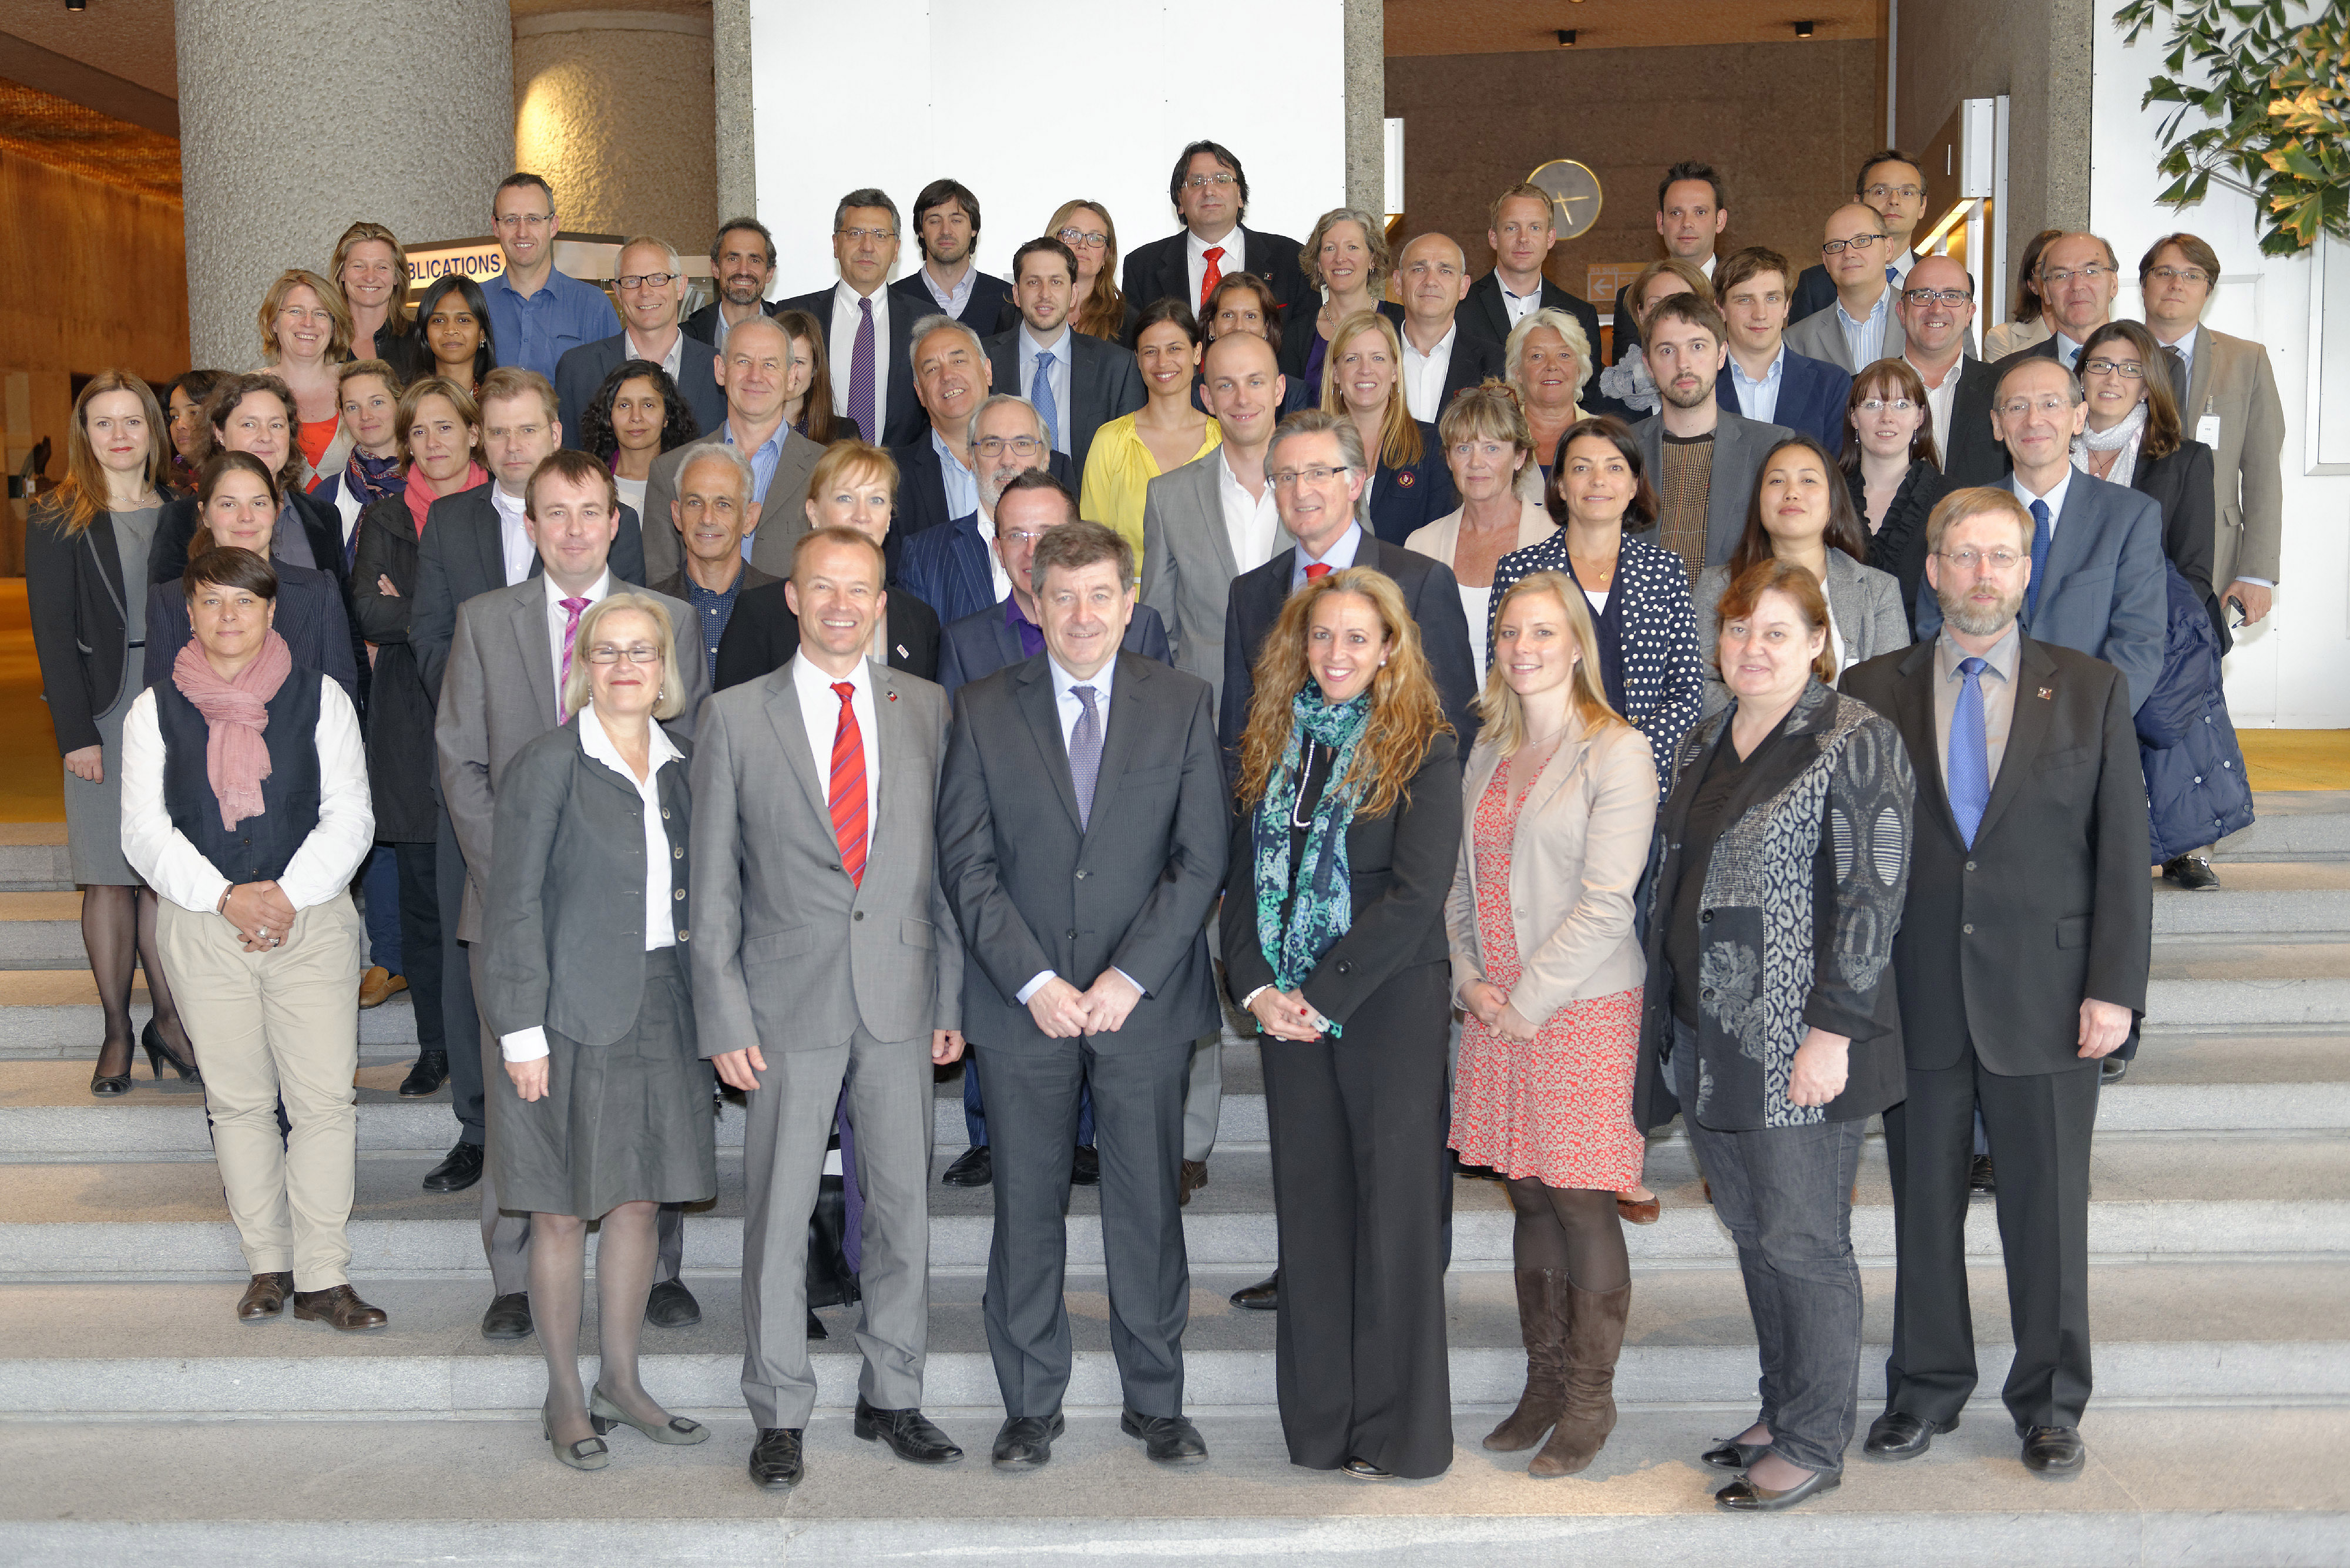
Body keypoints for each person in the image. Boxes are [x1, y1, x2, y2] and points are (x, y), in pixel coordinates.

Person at [1844, 486, 2150, 1483]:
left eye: (2002, 556)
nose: (1983, 574)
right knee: (1923, 1207)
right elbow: (1851, 854)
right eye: (1964, 555)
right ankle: (1924, 1386)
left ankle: (2050, 1404)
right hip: (1915, 991)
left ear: (2028, 571)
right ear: (1933, 569)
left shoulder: (2092, 688)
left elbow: (2122, 850)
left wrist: (2115, 987)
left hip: (2050, 995)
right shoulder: (1870, 687)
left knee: (2048, 1212)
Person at [934, 519, 1226, 1470]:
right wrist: (1035, 981)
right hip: (1025, 1008)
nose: (1084, 614)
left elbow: (1201, 856)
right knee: (1026, 1208)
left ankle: (1158, 1402)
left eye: (1101, 594)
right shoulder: (982, 707)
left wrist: (1127, 976)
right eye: (1063, 596)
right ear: (1035, 600)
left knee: (1149, 1209)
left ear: (1129, 602)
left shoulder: (1181, 701)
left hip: (1145, 1004)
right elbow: (967, 862)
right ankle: (1029, 1405)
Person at [1634, 557, 1916, 1512]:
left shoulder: (1854, 736)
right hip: (1708, 1031)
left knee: (1804, 1241)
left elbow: (1874, 896)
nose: (1752, 647)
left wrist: (1832, 1031)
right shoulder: (1707, 734)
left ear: (1818, 642)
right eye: (1739, 627)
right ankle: (1780, 1407)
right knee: (1755, 1232)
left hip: (1800, 1041)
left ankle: (1814, 1439)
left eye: (1776, 631)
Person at [693, 524, 968, 1491]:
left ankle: (893, 1392)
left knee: (902, 1207)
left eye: (860, 589)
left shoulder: (926, 707)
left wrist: (950, 993)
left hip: (901, 994)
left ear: (882, 604)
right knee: (777, 1215)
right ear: (794, 597)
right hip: (783, 1003)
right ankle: (778, 1409)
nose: (842, 604)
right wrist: (723, 1012)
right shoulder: (734, 716)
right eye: (824, 586)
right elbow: (713, 885)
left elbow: (944, 868)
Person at [438, 447, 708, 1339]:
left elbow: (691, 758)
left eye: (591, 510)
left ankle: (659, 1270)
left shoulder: (668, 619)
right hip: (512, 906)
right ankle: (515, 1277)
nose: (575, 528)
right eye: (555, 512)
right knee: (527, 1107)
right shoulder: (485, 620)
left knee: (649, 1112)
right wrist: (525, 875)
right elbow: (461, 762)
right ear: (530, 525)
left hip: (642, 922)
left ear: (616, 520)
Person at [1220, 566, 1463, 1480]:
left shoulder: (1425, 746)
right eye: (1322, 635)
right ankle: (1322, 1428)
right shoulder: (1271, 740)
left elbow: (1416, 895)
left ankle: (1399, 1435)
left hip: (1385, 1004)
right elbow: (1241, 885)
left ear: (1390, 648)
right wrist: (1257, 991)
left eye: (1358, 637)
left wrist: (1322, 994)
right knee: (1314, 1216)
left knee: (1393, 1217)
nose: (1337, 652)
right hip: (1286, 1013)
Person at [481, 592, 719, 1470]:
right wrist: (521, 1031)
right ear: (584, 665)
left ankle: (622, 1378)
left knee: (640, 1201)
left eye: (642, 651)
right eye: (608, 651)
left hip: (666, 1003)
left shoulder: (687, 763)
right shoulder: (549, 762)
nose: (626, 666)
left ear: (664, 668)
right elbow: (511, 904)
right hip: (566, 1012)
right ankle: (565, 1394)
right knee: (557, 1208)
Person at [121, 544, 385, 1331]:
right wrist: (225, 897)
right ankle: (268, 1265)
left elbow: (351, 813)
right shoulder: (153, 711)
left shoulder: (322, 697)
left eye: (243, 601)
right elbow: (144, 832)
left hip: (312, 919)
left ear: (272, 611)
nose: (227, 615)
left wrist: (285, 896)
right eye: (211, 601)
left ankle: (325, 1276)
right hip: (205, 924)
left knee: (323, 1101)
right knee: (237, 1102)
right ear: (190, 613)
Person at [403, 368, 646, 1201]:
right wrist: (488, 688)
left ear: (554, 433)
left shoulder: (608, 526)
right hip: (493, 790)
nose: (512, 444)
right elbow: (432, 640)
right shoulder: (454, 522)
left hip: (607, 821)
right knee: (483, 975)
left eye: (527, 429)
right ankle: (481, 1132)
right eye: (497, 430)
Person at [1449, 570, 1657, 1479]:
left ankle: (1588, 1400)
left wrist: (1525, 1001)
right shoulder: (1488, 751)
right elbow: (1457, 885)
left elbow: (1609, 903)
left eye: (1543, 631)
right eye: (1510, 633)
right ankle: (1542, 1383)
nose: (1524, 648)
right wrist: (1468, 980)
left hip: (1579, 1009)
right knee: (1527, 1192)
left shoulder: (1617, 750)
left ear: (1577, 644)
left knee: (1579, 1198)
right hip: (1494, 1008)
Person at [25, 372, 204, 1096]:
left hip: (174, 704)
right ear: (85, 434)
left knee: (161, 871)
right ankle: (116, 1030)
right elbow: (52, 633)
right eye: (104, 422)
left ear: (153, 430)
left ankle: (170, 1019)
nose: (120, 435)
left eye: (133, 420)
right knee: (107, 872)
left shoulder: (184, 512)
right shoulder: (56, 516)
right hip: (102, 709)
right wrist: (76, 733)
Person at [351, 377, 485, 1100]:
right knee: (426, 907)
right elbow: (368, 610)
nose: (432, 443)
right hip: (408, 723)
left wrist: (417, 611)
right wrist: (452, 615)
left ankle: (488, 1048)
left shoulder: (504, 508)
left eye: (445, 427)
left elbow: (521, 605)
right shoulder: (386, 516)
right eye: (418, 431)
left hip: (493, 722)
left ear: (473, 432)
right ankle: (436, 1046)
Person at [1219, 408, 1481, 776]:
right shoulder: (1248, 594)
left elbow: (1455, 727)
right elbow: (1237, 736)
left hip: (1390, 803)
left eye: (1318, 473)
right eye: (1286, 477)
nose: (1301, 490)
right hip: (1277, 807)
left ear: (1356, 483)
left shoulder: (1420, 583)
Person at [1916, 358, 2166, 716]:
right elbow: (1934, 626)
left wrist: (2078, 728)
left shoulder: (2129, 518)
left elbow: (2138, 644)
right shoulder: (1960, 515)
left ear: (2079, 418)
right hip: (1978, 719)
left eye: (2051, 404)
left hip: (2083, 727)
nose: (2034, 420)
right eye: (2017, 407)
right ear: (1997, 424)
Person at [2074, 319, 2225, 891]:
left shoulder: (2185, 459)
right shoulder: (2049, 448)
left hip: (2158, 618)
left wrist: (2143, 628)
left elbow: (2194, 568)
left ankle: (2186, 844)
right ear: (2080, 376)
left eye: (2129, 368)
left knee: (2163, 673)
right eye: (2100, 365)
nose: (2112, 378)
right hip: (2069, 621)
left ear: (2148, 383)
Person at [1490, 417, 1706, 785]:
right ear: (1560, 485)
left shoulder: (1665, 572)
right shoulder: (1519, 572)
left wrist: (1629, 756)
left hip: (1642, 779)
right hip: (1545, 778)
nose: (1598, 480)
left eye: (1615, 468)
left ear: (1634, 485)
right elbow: (1503, 683)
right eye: (1581, 468)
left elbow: (1686, 691)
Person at [1694, 435, 1911, 711]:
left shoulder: (1878, 591)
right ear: (1758, 500)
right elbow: (1697, 685)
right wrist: (1768, 718)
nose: (1792, 493)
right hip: (1746, 735)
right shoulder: (1716, 585)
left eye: (1808, 480)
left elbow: (1890, 695)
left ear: (1833, 500)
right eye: (1776, 481)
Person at [2137, 232, 2286, 630]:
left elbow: (2262, 471)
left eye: (2192, 275)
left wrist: (2256, 573)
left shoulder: (2247, 361)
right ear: (2144, 284)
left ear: (2209, 290)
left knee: (2197, 659)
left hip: (2211, 550)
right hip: (2124, 540)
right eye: (2164, 272)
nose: (2177, 284)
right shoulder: (2110, 356)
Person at [1140, 330, 1289, 712]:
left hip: (1309, 717)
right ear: (1207, 398)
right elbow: (1158, 631)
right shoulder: (1168, 497)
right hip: (1206, 716)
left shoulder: (1328, 487)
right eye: (1226, 385)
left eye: (1255, 382)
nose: (1242, 399)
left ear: (1278, 390)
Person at [715, 441, 942, 686]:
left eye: (876, 500)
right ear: (813, 512)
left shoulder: (920, 621)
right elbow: (737, 707)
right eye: (845, 498)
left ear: (889, 517)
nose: (862, 515)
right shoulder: (759, 613)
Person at [143, 455, 359, 709]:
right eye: (228, 504)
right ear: (205, 514)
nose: (246, 516)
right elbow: (162, 707)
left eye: (258, 503)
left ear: (276, 511)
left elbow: (341, 697)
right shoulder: (170, 600)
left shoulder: (319, 590)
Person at [637, 315, 827, 586]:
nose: (755, 376)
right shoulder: (669, 470)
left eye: (770, 364)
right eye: (743, 361)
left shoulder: (826, 471)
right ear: (721, 370)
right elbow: (661, 589)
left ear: (791, 377)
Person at [1631, 295, 1795, 583]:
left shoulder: (1771, 447)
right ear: (1648, 364)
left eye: (1697, 346)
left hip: (1736, 608)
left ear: (1721, 354)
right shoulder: (1621, 449)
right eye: (1667, 350)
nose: (1683, 364)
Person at [1405, 381, 1558, 681]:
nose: (1476, 463)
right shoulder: (1421, 545)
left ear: (1519, 457)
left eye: (1492, 448)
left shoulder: (1554, 539)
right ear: (1449, 459)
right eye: (1464, 448)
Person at [983, 236, 1146, 476]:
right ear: (1016, 294)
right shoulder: (981, 359)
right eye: (1033, 282)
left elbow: (1131, 464)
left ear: (1073, 295)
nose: (1045, 294)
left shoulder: (1117, 367)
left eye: (1056, 282)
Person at [1080, 297, 1220, 570]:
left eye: (1174, 349)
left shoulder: (1224, 441)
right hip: (1130, 595)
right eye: (1150, 352)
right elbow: (1092, 546)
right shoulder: (1110, 441)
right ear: (1137, 359)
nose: (1163, 362)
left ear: (1197, 353)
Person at [775, 189, 922, 446]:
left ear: (896, 249)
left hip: (900, 469)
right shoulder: (794, 314)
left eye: (880, 235)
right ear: (836, 244)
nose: (867, 247)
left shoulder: (925, 319)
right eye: (855, 233)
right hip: (809, 465)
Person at [899, 395, 1058, 625]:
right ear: (972, 460)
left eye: (1022, 444)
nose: (1007, 460)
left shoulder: (1086, 550)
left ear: (1045, 458)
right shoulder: (926, 558)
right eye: (992, 445)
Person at [554, 236, 725, 442]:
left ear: (681, 287)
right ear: (618, 292)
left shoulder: (720, 368)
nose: (645, 292)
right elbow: (570, 457)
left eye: (659, 278)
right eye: (632, 281)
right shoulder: (578, 369)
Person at [1122, 140, 1311, 320]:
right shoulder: (1142, 267)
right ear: (1180, 201)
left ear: (1240, 196)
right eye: (1196, 183)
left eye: (1222, 180)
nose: (1209, 191)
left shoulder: (1292, 259)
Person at [1322, 311, 1457, 544]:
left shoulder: (1432, 446)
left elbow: (1441, 541)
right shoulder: (1312, 450)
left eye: (1378, 358)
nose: (1366, 369)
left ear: (1395, 371)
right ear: (1335, 373)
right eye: (1352, 359)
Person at [648, 442, 775, 684]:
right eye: (695, 503)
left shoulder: (782, 607)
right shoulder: (647, 609)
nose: (707, 518)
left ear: (749, 518)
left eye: (723, 504)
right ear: (677, 515)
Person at [481, 172, 620, 381]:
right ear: (495, 226)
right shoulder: (474, 302)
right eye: (511, 220)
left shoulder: (593, 306)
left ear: (553, 225)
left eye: (533, 219)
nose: (522, 232)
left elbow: (617, 389)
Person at [1844, 358, 1950, 630]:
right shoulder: (1826, 497)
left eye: (1901, 405)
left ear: (1919, 418)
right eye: (1872, 405)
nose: (1887, 417)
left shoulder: (1952, 500)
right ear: (1854, 418)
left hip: (1923, 651)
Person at [1714, 247, 1852, 450]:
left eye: (1772, 299)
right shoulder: (1700, 385)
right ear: (1721, 308)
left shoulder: (1831, 385)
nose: (1760, 314)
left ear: (1786, 306)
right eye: (1745, 300)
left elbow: (1838, 467)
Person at [889, 316, 999, 547]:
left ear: (987, 371)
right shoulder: (892, 477)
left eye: (958, 361)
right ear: (920, 392)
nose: (947, 376)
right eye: (931, 369)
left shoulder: (1045, 464)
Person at [1463, 183, 1606, 358]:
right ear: (1494, 238)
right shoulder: (1459, 308)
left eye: (1535, 228)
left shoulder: (1581, 316)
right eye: (1512, 228)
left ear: (1550, 238)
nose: (1523, 238)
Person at [1789, 150, 1932, 322]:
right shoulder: (1816, 284)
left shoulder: (1942, 279)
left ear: (1923, 206)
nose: (1894, 201)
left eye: (1907, 193)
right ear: (1859, 202)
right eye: (1880, 192)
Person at [1897, 256, 2002, 486]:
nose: (1936, 309)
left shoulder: (2003, 391)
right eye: (1922, 296)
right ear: (1902, 311)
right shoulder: (1862, 392)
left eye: (1952, 296)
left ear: (1969, 313)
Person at [1609, 162, 1727, 357]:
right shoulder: (1634, 297)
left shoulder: (1739, 289)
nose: (1687, 223)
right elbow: (1628, 372)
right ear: (1660, 222)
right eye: (1676, 213)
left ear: (1720, 220)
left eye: (1700, 212)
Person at [254, 268, 355, 487]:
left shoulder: (358, 384)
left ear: (333, 327)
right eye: (296, 311)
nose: (308, 322)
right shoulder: (249, 391)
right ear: (274, 323)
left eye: (320, 314)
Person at [1281, 207, 1401, 388]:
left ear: (1372, 260)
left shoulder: (1401, 322)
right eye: (1330, 249)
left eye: (1352, 247)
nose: (1340, 258)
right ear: (1319, 264)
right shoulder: (1295, 335)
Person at [1395, 233, 1506, 426]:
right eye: (1419, 269)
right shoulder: (1370, 358)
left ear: (1463, 287)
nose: (1430, 281)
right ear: (1398, 283)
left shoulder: (1496, 363)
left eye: (1445, 271)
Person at [1784, 206, 1905, 374]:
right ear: (1826, 261)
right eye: (1836, 245)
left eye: (1862, 241)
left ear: (1888, 248)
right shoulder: (1796, 342)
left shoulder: (1924, 316)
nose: (1848, 253)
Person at [576, 360, 700, 521]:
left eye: (648, 405)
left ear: (667, 417)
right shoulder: (588, 481)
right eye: (624, 405)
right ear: (608, 417)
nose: (636, 417)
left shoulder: (691, 479)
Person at [312, 360, 405, 571]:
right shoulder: (326, 496)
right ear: (343, 415)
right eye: (353, 407)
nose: (365, 416)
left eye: (377, 402)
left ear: (400, 403)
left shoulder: (432, 482)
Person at [1591, 258, 1708, 423]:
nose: (1668, 315)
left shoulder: (1731, 387)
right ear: (1641, 314)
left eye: (1682, 303)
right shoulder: (1611, 399)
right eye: (1656, 305)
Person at [889, 177, 1013, 333]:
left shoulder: (1008, 301)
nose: (946, 231)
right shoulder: (893, 301)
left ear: (974, 229)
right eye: (935, 221)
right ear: (921, 231)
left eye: (956, 220)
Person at [1200, 271, 1315, 416]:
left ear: (1266, 328)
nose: (1239, 326)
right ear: (1212, 327)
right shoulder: (1191, 395)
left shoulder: (1295, 396)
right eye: (1228, 315)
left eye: (1251, 316)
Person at [1507, 308, 1598, 488]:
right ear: (1518, 371)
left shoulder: (1607, 436)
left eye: (1564, 355)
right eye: (1537, 356)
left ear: (1579, 368)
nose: (1552, 366)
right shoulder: (1496, 436)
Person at [1036, 199, 1138, 343]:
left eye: (1095, 238)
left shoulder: (1126, 322)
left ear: (1106, 256)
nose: (1083, 245)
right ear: (1052, 243)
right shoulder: (1020, 313)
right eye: (1072, 234)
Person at [686, 217, 779, 354]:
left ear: (769, 273)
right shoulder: (687, 339)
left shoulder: (789, 332)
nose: (743, 270)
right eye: (733, 259)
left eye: (754, 260)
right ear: (716, 268)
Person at [398, 276, 496, 399]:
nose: (450, 330)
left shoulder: (498, 399)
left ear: (481, 333)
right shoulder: (407, 401)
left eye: (463, 320)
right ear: (425, 333)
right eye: (439, 320)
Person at [330, 221, 410, 364]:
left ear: (397, 277)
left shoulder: (421, 340)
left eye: (382, 267)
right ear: (341, 273)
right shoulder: (322, 340)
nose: (370, 277)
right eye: (359, 266)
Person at [1980, 228, 2064, 361]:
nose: (2057, 276)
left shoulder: (2095, 337)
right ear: (2032, 285)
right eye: (2045, 268)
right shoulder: (2005, 338)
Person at [771, 308, 840, 444]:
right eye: (780, 360)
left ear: (815, 368)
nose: (789, 372)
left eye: (798, 362)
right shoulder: (740, 431)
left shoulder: (842, 434)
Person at [166, 370, 225, 492]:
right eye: (174, 416)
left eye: (194, 413)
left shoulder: (240, 476)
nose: (179, 425)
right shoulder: (167, 486)